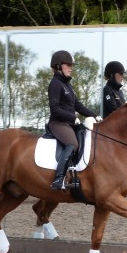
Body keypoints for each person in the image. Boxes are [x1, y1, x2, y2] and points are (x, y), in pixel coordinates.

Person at [47, 50, 101, 190]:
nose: (71, 68)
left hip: (69, 123)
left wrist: (94, 115)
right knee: (73, 144)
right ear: (59, 66)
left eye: (72, 65)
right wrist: (72, 117)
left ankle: (74, 175)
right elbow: (55, 108)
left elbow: (78, 105)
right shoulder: (55, 84)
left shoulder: (68, 85)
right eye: (68, 65)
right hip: (58, 123)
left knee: (85, 141)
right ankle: (58, 179)